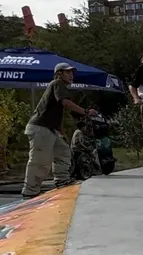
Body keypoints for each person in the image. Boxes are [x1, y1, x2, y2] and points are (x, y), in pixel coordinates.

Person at [21, 62, 97, 198]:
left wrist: (61, 131)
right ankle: (30, 191)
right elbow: (65, 103)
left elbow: (57, 113)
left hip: (51, 129)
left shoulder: (59, 87)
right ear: (59, 74)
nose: (71, 75)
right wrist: (85, 111)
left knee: (63, 151)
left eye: (72, 73)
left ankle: (62, 180)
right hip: (41, 127)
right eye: (68, 72)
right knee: (40, 161)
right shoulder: (57, 83)